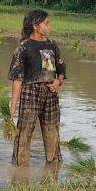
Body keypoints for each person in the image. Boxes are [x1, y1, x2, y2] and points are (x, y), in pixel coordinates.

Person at [8, 9, 66, 167]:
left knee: (52, 132)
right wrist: (13, 105)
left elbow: (61, 71)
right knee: (24, 133)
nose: (49, 26)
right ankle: (20, 171)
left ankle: (53, 166)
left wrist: (58, 83)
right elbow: (17, 79)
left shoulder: (52, 45)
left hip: (51, 94)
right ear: (35, 26)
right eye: (46, 23)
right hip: (30, 94)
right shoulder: (23, 48)